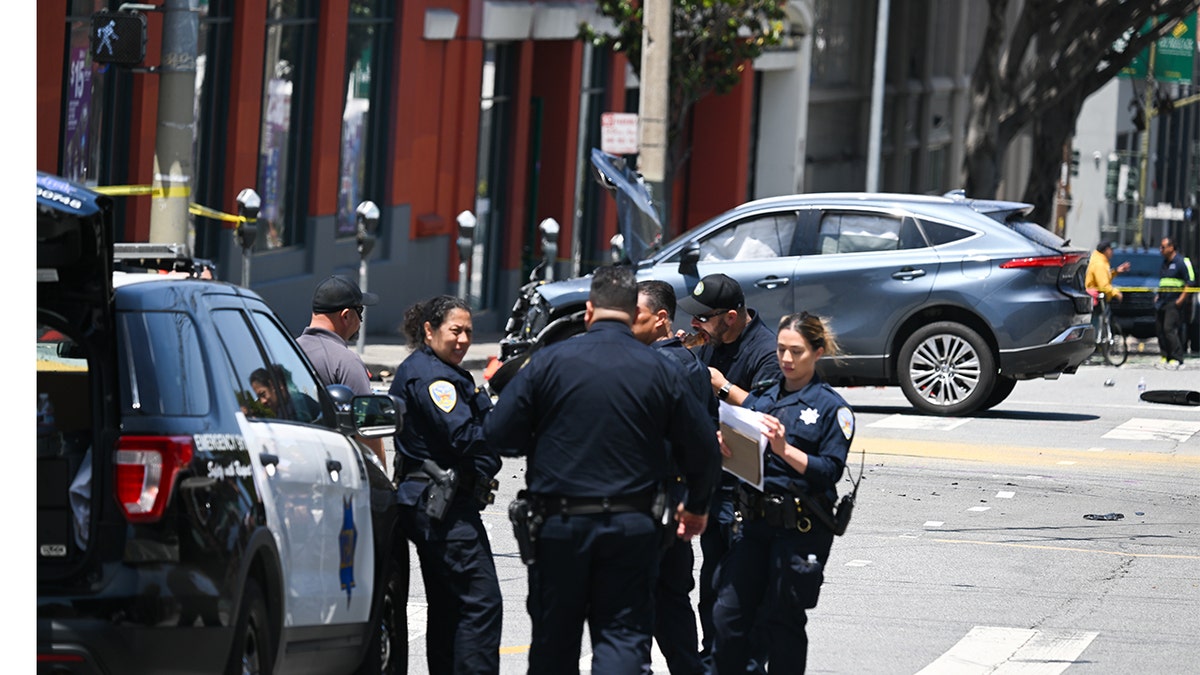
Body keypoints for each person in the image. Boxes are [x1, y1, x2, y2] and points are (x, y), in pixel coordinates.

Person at [485, 265, 721, 674]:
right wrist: (697, 507)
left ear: (590, 310)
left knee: (554, 645)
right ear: (632, 312)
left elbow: (499, 435)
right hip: (633, 526)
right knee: (621, 640)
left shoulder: (548, 362)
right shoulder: (665, 369)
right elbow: (704, 450)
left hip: (559, 524)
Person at [712, 312, 854, 673]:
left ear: (817, 352)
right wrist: (727, 447)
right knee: (727, 615)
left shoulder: (831, 408)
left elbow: (829, 471)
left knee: (784, 621)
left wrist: (785, 449)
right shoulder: (763, 397)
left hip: (799, 529)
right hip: (754, 524)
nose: (787, 360)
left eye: (797, 351)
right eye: (781, 350)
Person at [389, 295, 503, 674]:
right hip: (442, 506)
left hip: (435, 500)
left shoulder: (437, 370)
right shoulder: (434, 377)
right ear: (429, 330)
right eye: (455, 330)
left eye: (469, 331)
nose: (463, 339)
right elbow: (467, 437)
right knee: (479, 603)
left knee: (449, 606)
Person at [676, 272, 781, 666]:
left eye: (705, 318)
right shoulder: (706, 343)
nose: (696, 324)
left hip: (747, 491)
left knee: (741, 593)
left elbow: (772, 416)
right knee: (711, 588)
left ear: (732, 317)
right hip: (712, 484)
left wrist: (722, 386)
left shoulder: (765, 351)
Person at [632, 280, 719, 675]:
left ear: (661, 318)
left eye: (636, 316)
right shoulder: (690, 363)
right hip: (677, 502)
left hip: (649, 505)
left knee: (636, 613)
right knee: (674, 608)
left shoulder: (655, 366)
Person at [296, 274, 387, 468]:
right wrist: (381, 484)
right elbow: (368, 429)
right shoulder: (346, 362)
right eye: (359, 312)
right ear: (346, 315)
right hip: (336, 470)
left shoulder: (285, 350)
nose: (361, 321)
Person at [1155, 237, 1193, 370]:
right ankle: (1165, 357)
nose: (1161, 249)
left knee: (1169, 329)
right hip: (1162, 301)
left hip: (1174, 302)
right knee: (1160, 330)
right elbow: (1164, 282)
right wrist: (1158, 296)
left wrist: (1181, 299)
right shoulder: (1164, 263)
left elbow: (1190, 282)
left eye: (1163, 247)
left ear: (1171, 248)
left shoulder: (1182, 262)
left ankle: (1177, 358)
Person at [1085, 241, 1130, 337]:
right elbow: (1103, 285)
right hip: (1098, 299)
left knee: (1097, 322)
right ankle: (1095, 344)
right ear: (1106, 250)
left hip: (1095, 298)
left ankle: (1096, 342)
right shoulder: (1100, 264)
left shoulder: (1099, 260)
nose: (1112, 252)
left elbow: (1103, 277)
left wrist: (1116, 271)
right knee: (1096, 323)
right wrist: (1116, 293)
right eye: (1111, 249)